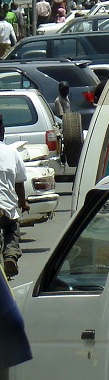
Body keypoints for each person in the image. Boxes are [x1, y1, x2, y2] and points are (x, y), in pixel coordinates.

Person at [0, 114, 30, 279]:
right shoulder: (12, 152)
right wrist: (23, 203)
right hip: (6, 208)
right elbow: (19, 183)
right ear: (2, 131)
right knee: (12, 228)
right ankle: (10, 256)